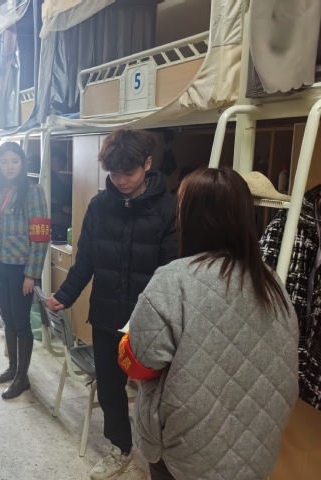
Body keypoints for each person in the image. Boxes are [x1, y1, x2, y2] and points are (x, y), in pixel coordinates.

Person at [118, 167, 299, 480]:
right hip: (255, 448)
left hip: (184, 452)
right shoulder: (271, 283)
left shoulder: (174, 280)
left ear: (187, 218)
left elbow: (143, 360)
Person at [46, 129, 177, 479]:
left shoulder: (167, 208)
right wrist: (64, 296)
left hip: (150, 322)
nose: (120, 180)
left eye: (128, 173)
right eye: (114, 173)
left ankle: (161, 460)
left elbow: (172, 272)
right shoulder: (99, 205)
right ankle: (121, 449)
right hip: (106, 316)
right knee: (109, 388)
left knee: (158, 394)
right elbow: (85, 261)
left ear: (147, 164)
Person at [0, 142, 50, 399]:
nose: (9, 167)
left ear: (22, 163)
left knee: (21, 322)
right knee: (7, 318)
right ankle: (12, 368)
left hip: (21, 267)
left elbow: (40, 237)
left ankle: (23, 377)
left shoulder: (33, 192)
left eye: (14, 161)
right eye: (4, 162)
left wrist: (31, 274)